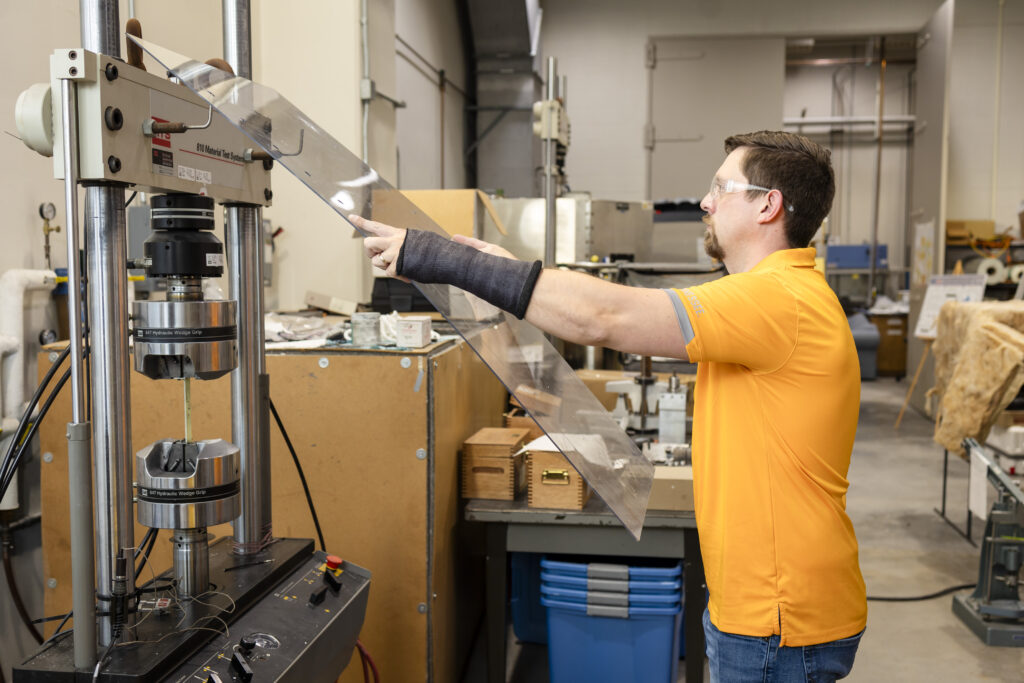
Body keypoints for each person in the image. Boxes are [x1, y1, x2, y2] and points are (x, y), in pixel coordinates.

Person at [352, 130, 866, 682]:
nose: (705, 202)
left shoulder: (777, 300)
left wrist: (447, 260)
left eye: (721, 187)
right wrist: (502, 269)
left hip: (779, 617)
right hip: (767, 606)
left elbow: (608, 317)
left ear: (768, 204)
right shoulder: (775, 295)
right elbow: (602, 307)